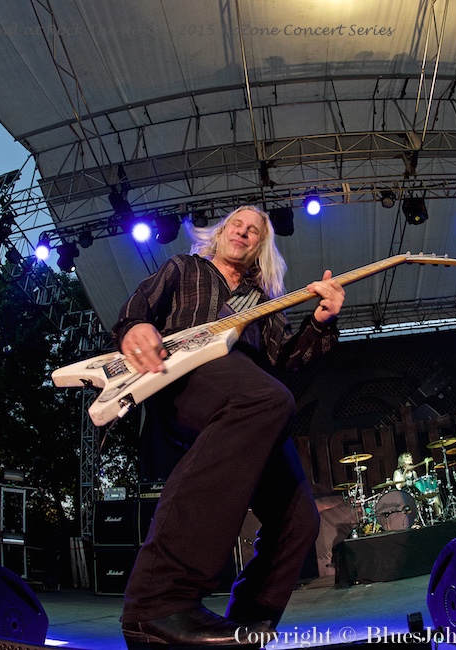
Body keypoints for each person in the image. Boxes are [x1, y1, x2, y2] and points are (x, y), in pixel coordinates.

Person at [114, 205, 345, 647]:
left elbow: (283, 357)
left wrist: (321, 322)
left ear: (260, 247)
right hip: (183, 376)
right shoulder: (184, 268)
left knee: (299, 521)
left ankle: (246, 629)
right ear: (219, 234)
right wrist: (135, 328)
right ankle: (157, 600)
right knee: (268, 397)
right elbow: (138, 307)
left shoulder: (263, 300)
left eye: (254, 230)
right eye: (236, 224)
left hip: (246, 398)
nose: (243, 231)